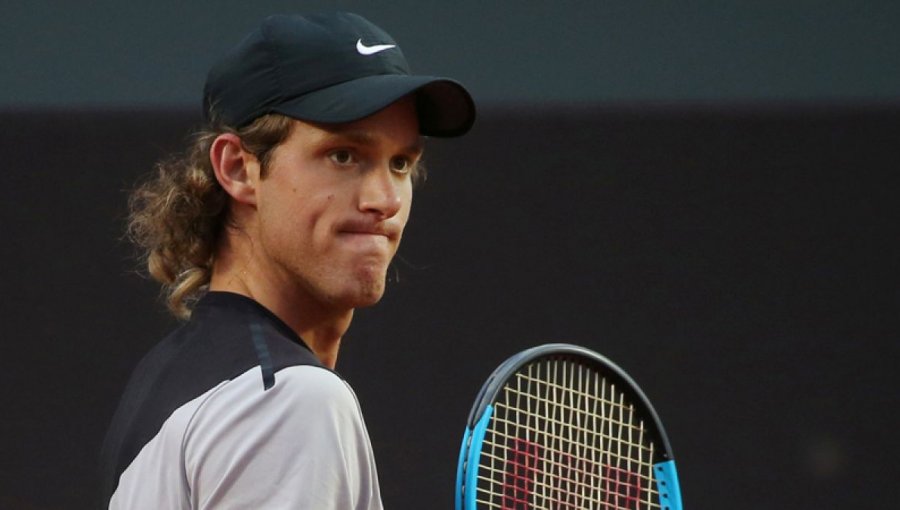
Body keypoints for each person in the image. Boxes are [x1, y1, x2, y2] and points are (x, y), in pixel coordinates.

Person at [99, 11, 475, 509]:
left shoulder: (173, 379)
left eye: (401, 163)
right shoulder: (289, 399)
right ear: (238, 169)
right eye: (343, 155)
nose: (385, 199)